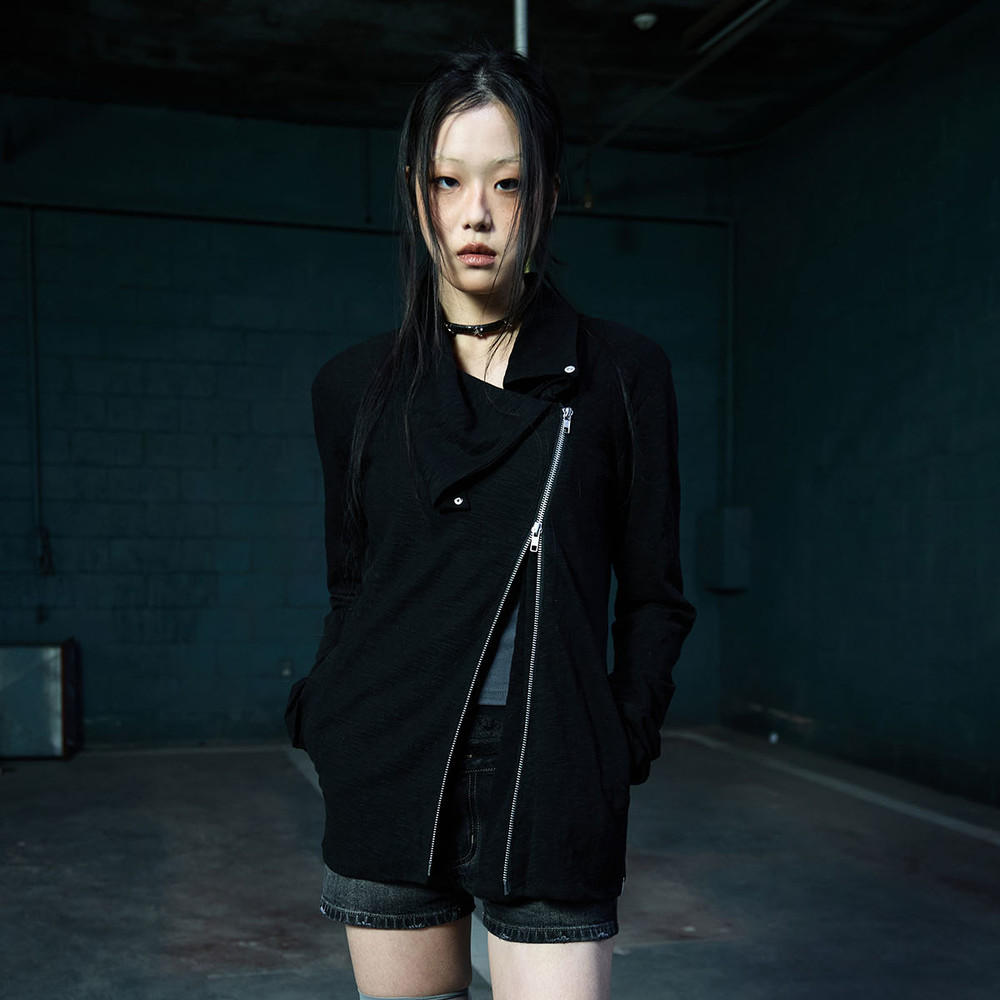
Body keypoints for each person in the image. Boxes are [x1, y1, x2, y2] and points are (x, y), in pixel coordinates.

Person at [285, 44, 696, 1000]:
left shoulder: (621, 375)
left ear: (545, 196)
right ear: (415, 192)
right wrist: (328, 717)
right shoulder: (353, 387)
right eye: (448, 181)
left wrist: (617, 741)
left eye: (507, 183)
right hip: (386, 756)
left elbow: (655, 594)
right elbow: (353, 582)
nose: (476, 214)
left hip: (552, 769)